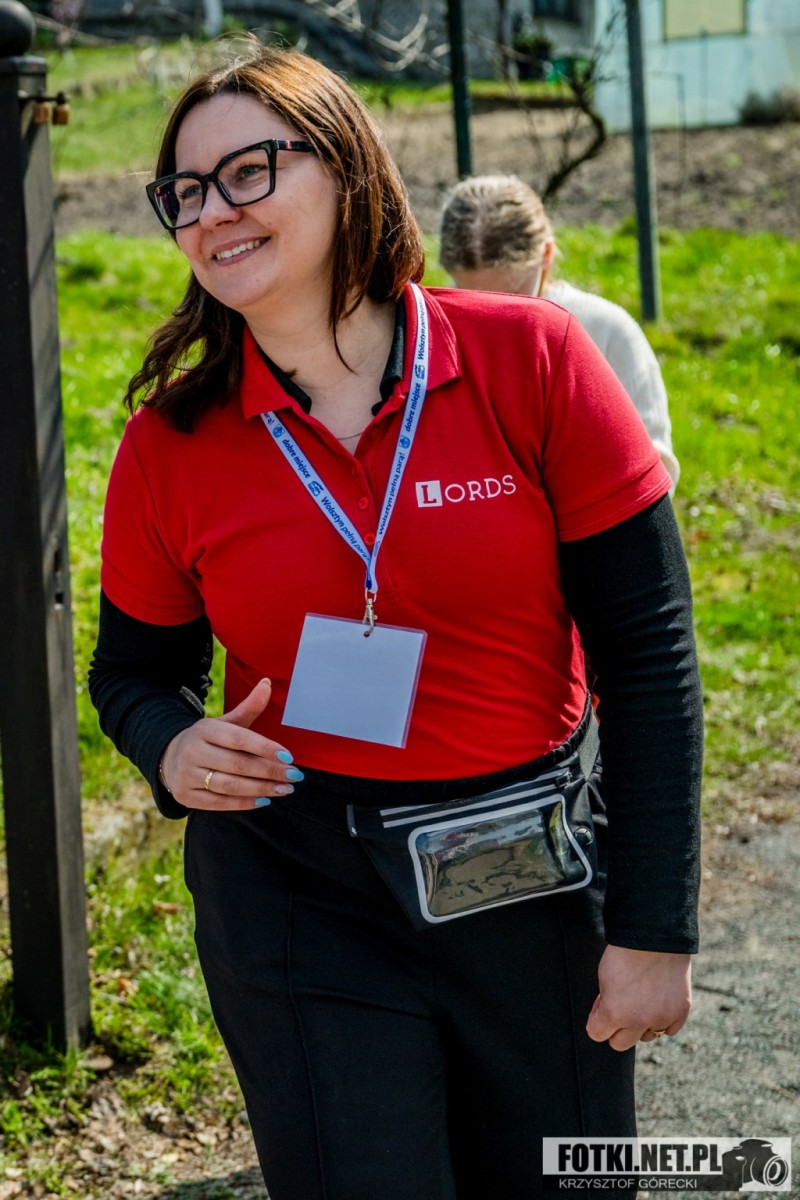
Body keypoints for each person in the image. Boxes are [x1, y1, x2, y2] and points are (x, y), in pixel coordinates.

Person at [88, 42, 703, 1200]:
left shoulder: (533, 358)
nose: (211, 211)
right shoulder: (170, 443)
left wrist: (654, 923)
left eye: (248, 172)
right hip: (297, 886)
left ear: (345, 167)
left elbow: (648, 651)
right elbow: (131, 671)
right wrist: (169, 744)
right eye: (184, 192)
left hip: (524, 871)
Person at [439, 173, 681, 489]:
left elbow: (655, 470)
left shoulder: (606, 331)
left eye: (513, 297)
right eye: (471, 296)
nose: (493, 316)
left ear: (547, 255)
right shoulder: (435, 336)